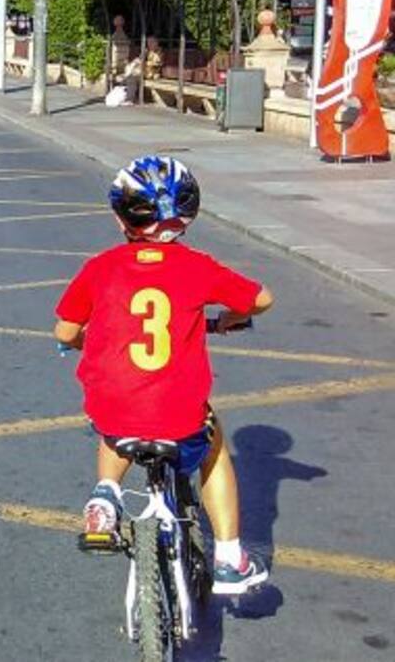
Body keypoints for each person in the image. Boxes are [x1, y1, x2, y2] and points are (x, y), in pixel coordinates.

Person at [53, 156, 273, 596]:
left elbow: (65, 331)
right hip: (179, 414)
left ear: (121, 218)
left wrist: (85, 342)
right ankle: (229, 557)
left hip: (115, 406)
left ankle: (105, 496)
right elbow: (261, 299)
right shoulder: (198, 267)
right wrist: (230, 317)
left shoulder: (100, 268)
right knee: (212, 446)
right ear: (187, 216)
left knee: (113, 422)